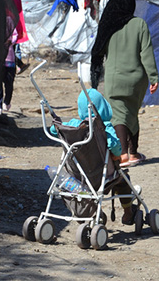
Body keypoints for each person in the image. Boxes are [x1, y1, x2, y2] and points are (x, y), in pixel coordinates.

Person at [90, 0, 159, 168]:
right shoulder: (139, 24)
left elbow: (99, 50)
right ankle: (134, 152)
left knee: (118, 114)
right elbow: (146, 53)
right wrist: (153, 77)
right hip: (137, 80)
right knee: (131, 112)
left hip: (114, 79)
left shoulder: (108, 25)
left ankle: (122, 155)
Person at [51, 88, 138, 225]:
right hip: (101, 176)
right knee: (123, 179)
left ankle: (91, 214)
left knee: (88, 187)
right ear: (103, 106)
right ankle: (128, 213)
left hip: (78, 176)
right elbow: (115, 146)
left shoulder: (74, 125)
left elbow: (54, 130)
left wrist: (56, 124)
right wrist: (118, 154)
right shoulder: (103, 127)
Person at [0, 17, 18, 115]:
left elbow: (15, 34)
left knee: (9, 83)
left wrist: (10, 41)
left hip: (9, 58)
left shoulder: (8, 20)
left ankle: (7, 102)